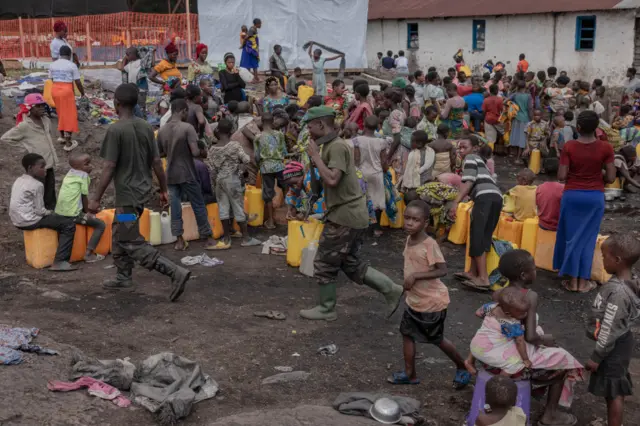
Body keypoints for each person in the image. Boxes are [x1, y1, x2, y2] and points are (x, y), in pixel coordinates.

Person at [299, 106, 403, 321]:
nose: (308, 131)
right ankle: (390, 288)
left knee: (325, 262)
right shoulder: (328, 145)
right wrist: (312, 160)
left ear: (321, 124)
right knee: (349, 262)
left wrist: (315, 156)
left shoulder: (336, 147)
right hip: (350, 214)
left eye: (310, 126)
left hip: (344, 215)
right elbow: (319, 188)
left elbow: (333, 179)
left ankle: (327, 308)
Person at [89, 84, 191, 301]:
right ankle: (123, 277)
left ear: (116, 104)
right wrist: (163, 189)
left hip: (127, 197)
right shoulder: (146, 127)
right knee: (120, 232)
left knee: (130, 239)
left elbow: (108, 167)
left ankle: (175, 272)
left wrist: (95, 198)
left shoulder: (116, 130)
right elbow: (156, 162)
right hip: (140, 194)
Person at [387, 200, 470, 388]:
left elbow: (442, 270)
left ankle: (463, 366)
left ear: (425, 223)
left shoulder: (429, 244)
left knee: (437, 339)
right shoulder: (410, 238)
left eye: (415, 220)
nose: (409, 223)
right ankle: (410, 374)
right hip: (414, 300)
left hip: (432, 303)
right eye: (407, 218)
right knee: (407, 334)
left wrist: (416, 276)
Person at [554, 110, 616, 293]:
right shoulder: (606, 147)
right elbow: (611, 178)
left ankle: (572, 281)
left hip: (572, 196)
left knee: (571, 237)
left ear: (578, 127)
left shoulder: (570, 146)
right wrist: (598, 172)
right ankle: (583, 282)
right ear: (597, 128)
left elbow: (561, 176)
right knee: (587, 239)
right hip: (594, 197)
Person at [586, 234, 640, 426]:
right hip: (617, 342)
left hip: (613, 347)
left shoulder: (618, 293)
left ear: (617, 260)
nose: (602, 260)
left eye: (604, 256)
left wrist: (596, 356)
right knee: (614, 386)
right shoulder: (629, 281)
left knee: (613, 391)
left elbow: (609, 328)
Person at [157, 98, 215, 251]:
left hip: (170, 174)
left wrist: (171, 151)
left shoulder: (162, 130)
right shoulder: (187, 128)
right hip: (187, 172)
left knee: (175, 207)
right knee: (198, 204)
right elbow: (195, 152)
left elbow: (160, 153)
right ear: (183, 111)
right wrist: (203, 151)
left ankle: (179, 240)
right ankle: (207, 237)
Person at [450, 136, 502, 290]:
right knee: (482, 235)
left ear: (474, 148)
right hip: (495, 197)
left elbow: (469, 182)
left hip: (485, 198)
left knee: (477, 235)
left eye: (464, 147)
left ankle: (483, 278)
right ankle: (473, 273)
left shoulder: (471, 158)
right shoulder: (481, 161)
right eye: (459, 147)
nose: (461, 150)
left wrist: (455, 202)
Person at [11, 153, 77, 271]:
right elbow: (40, 211)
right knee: (68, 224)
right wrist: (51, 213)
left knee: (58, 220)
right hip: (30, 221)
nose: (45, 169)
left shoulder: (19, 180)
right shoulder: (37, 185)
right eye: (41, 166)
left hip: (16, 220)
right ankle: (60, 261)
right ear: (30, 168)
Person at [207, 119, 260, 248]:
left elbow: (212, 169)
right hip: (233, 179)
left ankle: (226, 239)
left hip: (220, 180)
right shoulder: (234, 145)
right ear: (231, 131)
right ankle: (246, 238)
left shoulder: (212, 149)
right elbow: (246, 159)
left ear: (218, 130)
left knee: (223, 208)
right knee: (238, 207)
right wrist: (240, 167)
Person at [1, 94, 58, 210]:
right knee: (38, 190)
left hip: (49, 162)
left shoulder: (46, 120)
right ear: (29, 108)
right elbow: (5, 138)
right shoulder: (24, 126)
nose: (42, 108)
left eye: (43, 105)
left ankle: (50, 211)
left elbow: (48, 137)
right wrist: (27, 149)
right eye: (38, 106)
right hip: (37, 166)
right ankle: (39, 213)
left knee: (50, 190)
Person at [54, 153, 106, 262]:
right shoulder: (83, 176)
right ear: (78, 167)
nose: (91, 166)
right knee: (101, 224)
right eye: (87, 164)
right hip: (72, 214)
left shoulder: (70, 173)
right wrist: (88, 212)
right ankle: (88, 254)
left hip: (59, 212)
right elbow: (84, 197)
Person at [350, 116, 387, 235]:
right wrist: (385, 170)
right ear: (377, 127)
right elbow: (383, 161)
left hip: (362, 173)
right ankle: (376, 228)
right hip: (377, 174)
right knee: (377, 201)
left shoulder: (357, 140)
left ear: (364, 125)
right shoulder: (381, 142)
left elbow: (356, 159)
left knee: (363, 199)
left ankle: (362, 226)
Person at [253, 112, 287, 229]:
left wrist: (259, 165)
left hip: (266, 167)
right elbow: (284, 151)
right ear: (273, 122)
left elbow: (257, 156)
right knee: (286, 187)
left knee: (268, 193)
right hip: (279, 166)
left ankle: (271, 221)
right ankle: (288, 213)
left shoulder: (258, 137)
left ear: (262, 122)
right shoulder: (280, 134)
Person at [49, 45, 84, 152]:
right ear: (69, 55)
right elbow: (77, 82)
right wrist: (83, 93)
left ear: (60, 54)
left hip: (55, 90)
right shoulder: (72, 65)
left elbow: (51, 79)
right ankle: (68, 143)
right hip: (66, 91)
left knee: (60, 113)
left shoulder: (52, 65)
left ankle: (62, 137)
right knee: (68, 115)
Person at [117, 46, 152, 117]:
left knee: (141, 107)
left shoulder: (141, 62)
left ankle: (142, 120)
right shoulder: (130, 65)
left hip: (141, 89)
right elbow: (122, 68)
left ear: (133, 55)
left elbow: (151, 64)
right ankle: (137, 119)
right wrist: (125, 58)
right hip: (133, 90)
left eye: (128, 54)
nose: (126, 56)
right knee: (134, 106)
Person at [510, 80, 533, 162]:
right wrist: (532, 119)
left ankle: (515, 156)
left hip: (516, 117)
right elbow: (530, 108)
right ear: (525, 87)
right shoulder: (528, 96)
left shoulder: (515, 95)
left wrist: (512, 108)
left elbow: (505, 101)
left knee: (515, 136)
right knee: (522, 138)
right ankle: (518, 158)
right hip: (525, 118)